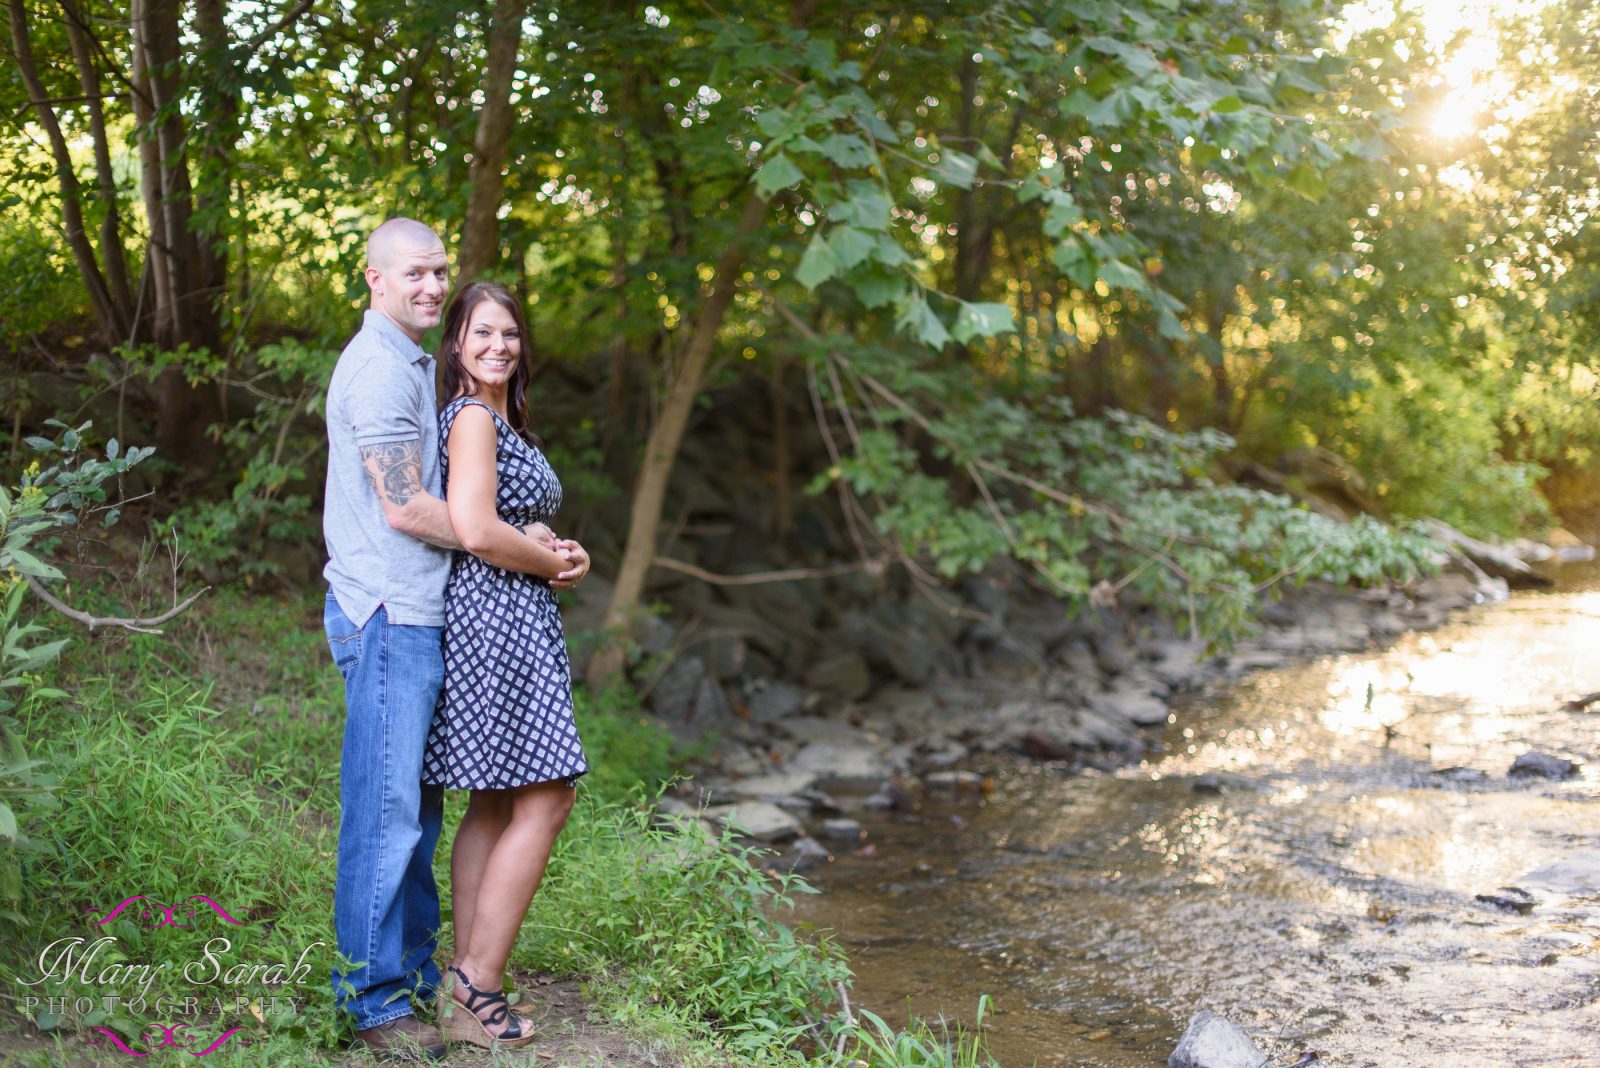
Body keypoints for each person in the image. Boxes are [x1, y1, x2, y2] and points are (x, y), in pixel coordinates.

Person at [422, 281, 591, 1049]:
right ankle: (475, 981)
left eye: (511, 334)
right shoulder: (471, 419)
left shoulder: (497, 418)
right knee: (547, 796)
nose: (499, 346)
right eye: (483, 332)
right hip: (496, 617)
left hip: (508, 613)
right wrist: (542, 563)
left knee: (494, 802)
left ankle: (465, 988)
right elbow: (478, 531)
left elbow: (508, 524)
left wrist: (559, 550)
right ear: (455, 340)